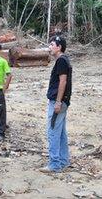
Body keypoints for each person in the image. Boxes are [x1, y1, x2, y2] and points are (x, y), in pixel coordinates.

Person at [40, 35, 72, 173]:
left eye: (52, 45)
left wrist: (58, 101)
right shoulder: (63, 60)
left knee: (53, 132)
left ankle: (54, 164)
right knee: (61, 133)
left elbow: (63, 82)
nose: (50, 47)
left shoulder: (61, 61)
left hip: (58, 102)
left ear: (59, 47)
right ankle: (63, 161)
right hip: (61, 101)